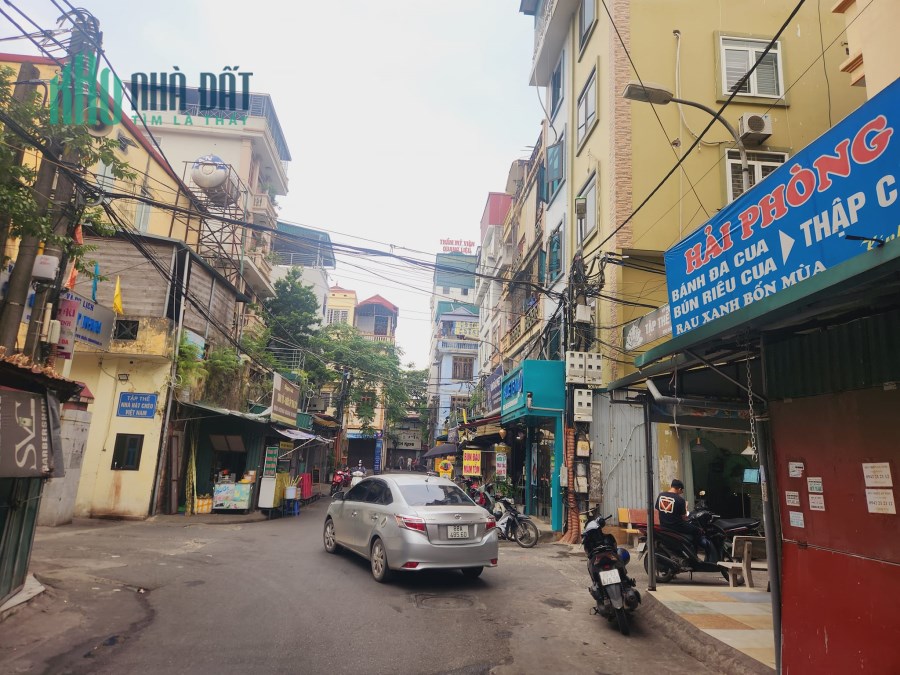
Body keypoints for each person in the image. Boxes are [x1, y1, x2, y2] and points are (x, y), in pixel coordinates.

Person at [655, 479, 708, 556]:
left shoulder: (661, 495)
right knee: (698, 530)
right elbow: (684, 517)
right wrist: (685, 506)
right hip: (677, 526)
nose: (681, 493)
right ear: (679, 489)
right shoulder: (680, 500)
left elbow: (658, 510)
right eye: (682, 491)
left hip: (664, 525)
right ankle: (693, 554)